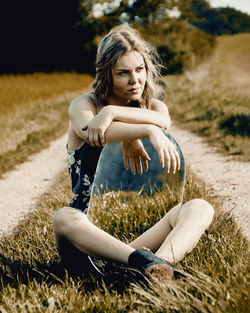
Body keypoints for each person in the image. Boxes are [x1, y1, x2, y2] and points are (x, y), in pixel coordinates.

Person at [53, 25, 214, 280]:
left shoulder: (154, 107)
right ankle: (142, 262)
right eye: (123, 73)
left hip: (141, 239)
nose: (135, 80)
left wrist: (113, 113)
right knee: (63, 218)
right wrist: (142, 130)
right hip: (88, 238)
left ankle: (157, 268)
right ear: (107, 75)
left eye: (139, 70)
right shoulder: (84, 106)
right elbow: (95, 133)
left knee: (200, 208)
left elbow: (163, 121)